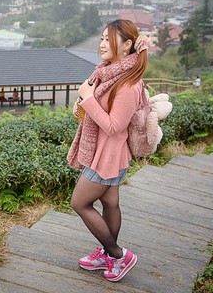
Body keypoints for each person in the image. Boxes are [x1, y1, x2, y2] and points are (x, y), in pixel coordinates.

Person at [66, 19, 150, 282]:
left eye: (108, 39)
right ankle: (107, 254)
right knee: (110, 202)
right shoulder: (108, 72)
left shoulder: (127, 84)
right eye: (101, 38)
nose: (102, 44)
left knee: (79, 203)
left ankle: (117, 255)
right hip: (107, 154)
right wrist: (87, 100)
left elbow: (115, 126)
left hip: (107, 156)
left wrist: (88, 99)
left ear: (127, 46)